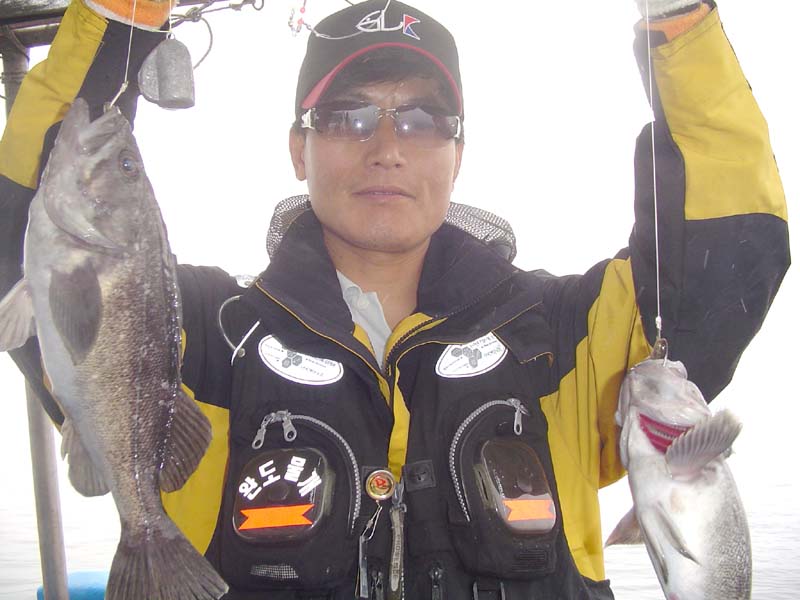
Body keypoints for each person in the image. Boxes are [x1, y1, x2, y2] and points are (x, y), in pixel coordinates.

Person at [0, 0, 789, 598]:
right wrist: (118, 18)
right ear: (299, 147)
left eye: (421, 118)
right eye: (347, 116)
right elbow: (35, 236)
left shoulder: (568, 336)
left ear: (458, 151)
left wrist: (680, 25)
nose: (385, 148)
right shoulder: (193, 332)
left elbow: (731, 252)